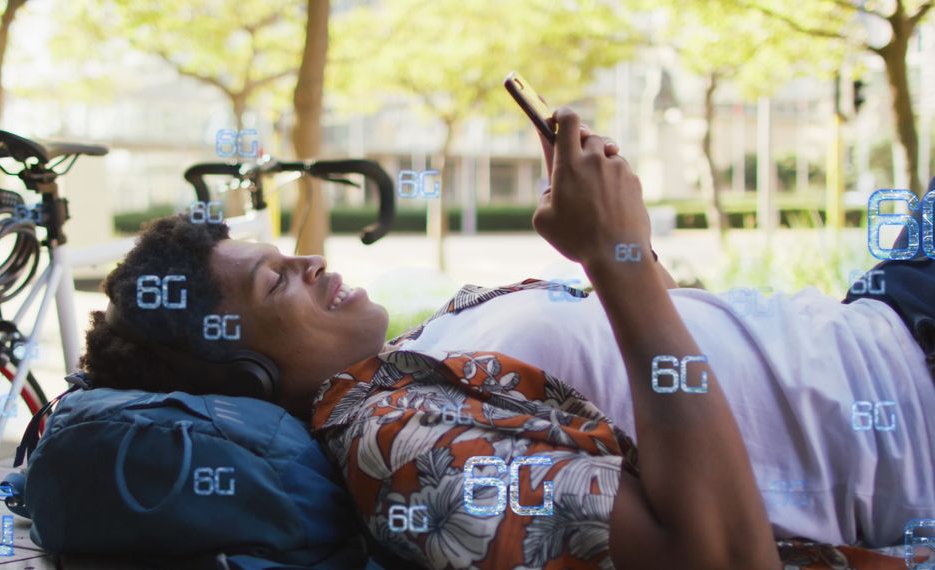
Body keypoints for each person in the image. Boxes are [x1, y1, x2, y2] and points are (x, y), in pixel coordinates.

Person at [79, 109, 933, 569]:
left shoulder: (413, 354)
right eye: (274, 282)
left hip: (881, 314)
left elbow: (679, 345)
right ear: (251, 371)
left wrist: (616, 224)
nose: (308, 259)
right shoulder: (397, 442)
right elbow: (715, 560)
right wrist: (615, 255)